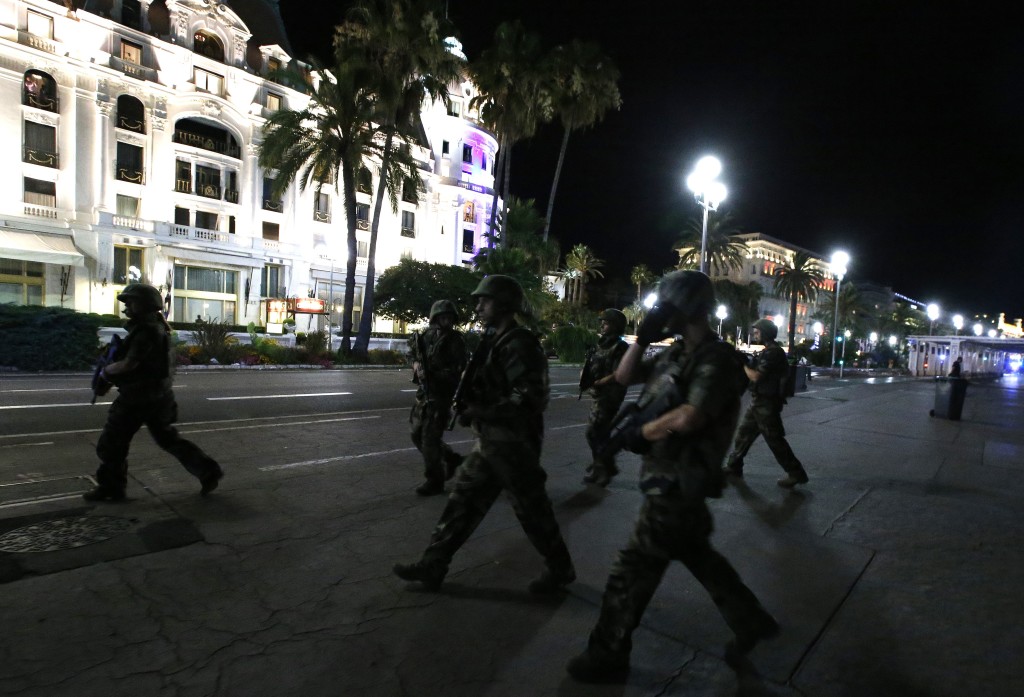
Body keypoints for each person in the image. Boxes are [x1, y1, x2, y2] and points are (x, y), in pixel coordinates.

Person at [567, 271, 778, 683]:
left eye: (665, 304)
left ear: (685, 306)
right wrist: (642, 339)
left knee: (630, 570)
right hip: (667, 477)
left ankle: (607, 653)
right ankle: (750, 620)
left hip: (680, 481)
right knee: (697, 553)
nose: (660, 311)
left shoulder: (716, 358)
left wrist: (637, 432)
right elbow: (627, 377)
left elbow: (691, 415)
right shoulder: (676, 352)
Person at [393, 275, 575, 595]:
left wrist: (481, 410)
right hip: (491, 442)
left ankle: (560, 569)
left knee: (533, 513)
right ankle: (433, 564)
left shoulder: (519, 342)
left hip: (514, 446)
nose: (478, 305)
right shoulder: (494, 340)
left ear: (503, 304)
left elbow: (531, 399)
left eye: (485, 300)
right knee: (461, 502)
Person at [83, 283, 223, 501]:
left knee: (111, 443)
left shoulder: (146, 331)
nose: (127, 306)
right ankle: (208, 471)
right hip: (158, 397)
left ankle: (112, 487)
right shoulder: (155, 327)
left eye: (131, 301)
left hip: (137, 399)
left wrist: (105, 373)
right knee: (168, 440)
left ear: (145, 305)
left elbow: (129, 364)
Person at [723, 318, 809, 488]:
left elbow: (756, 376)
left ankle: (796, 473)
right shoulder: (767, 351)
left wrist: (743, 364)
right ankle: (734, 466)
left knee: (775, 440)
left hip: (767, 405)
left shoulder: (773, 353)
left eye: (757, 332)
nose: (755, 334)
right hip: (758, 402)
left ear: (766, 333)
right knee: (743, 434)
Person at [407, 299, 467, 496]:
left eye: (449, 317)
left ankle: (435, 479)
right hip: (423, 394)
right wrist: (416, 365)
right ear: (435, 318)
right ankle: (450, 458)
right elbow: (413, 354)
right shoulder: (427, 336)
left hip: (441, 396)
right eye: (442, 317)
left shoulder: (455, 341)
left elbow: (457, 372)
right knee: (416, 434)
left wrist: (433, 373)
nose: (446, 320)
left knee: (430, 439)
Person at [582, 308, 629, 487]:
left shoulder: (620, 347)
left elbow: (619, 373)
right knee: (598, 433)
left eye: (606, 322)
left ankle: (604, 467)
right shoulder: (601, 344)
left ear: (616, 325)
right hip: (598, 394)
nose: (602, 325)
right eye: (602, 321)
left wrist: (600, 382)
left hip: (611, 395)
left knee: (595, 432)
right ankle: (600, 467)